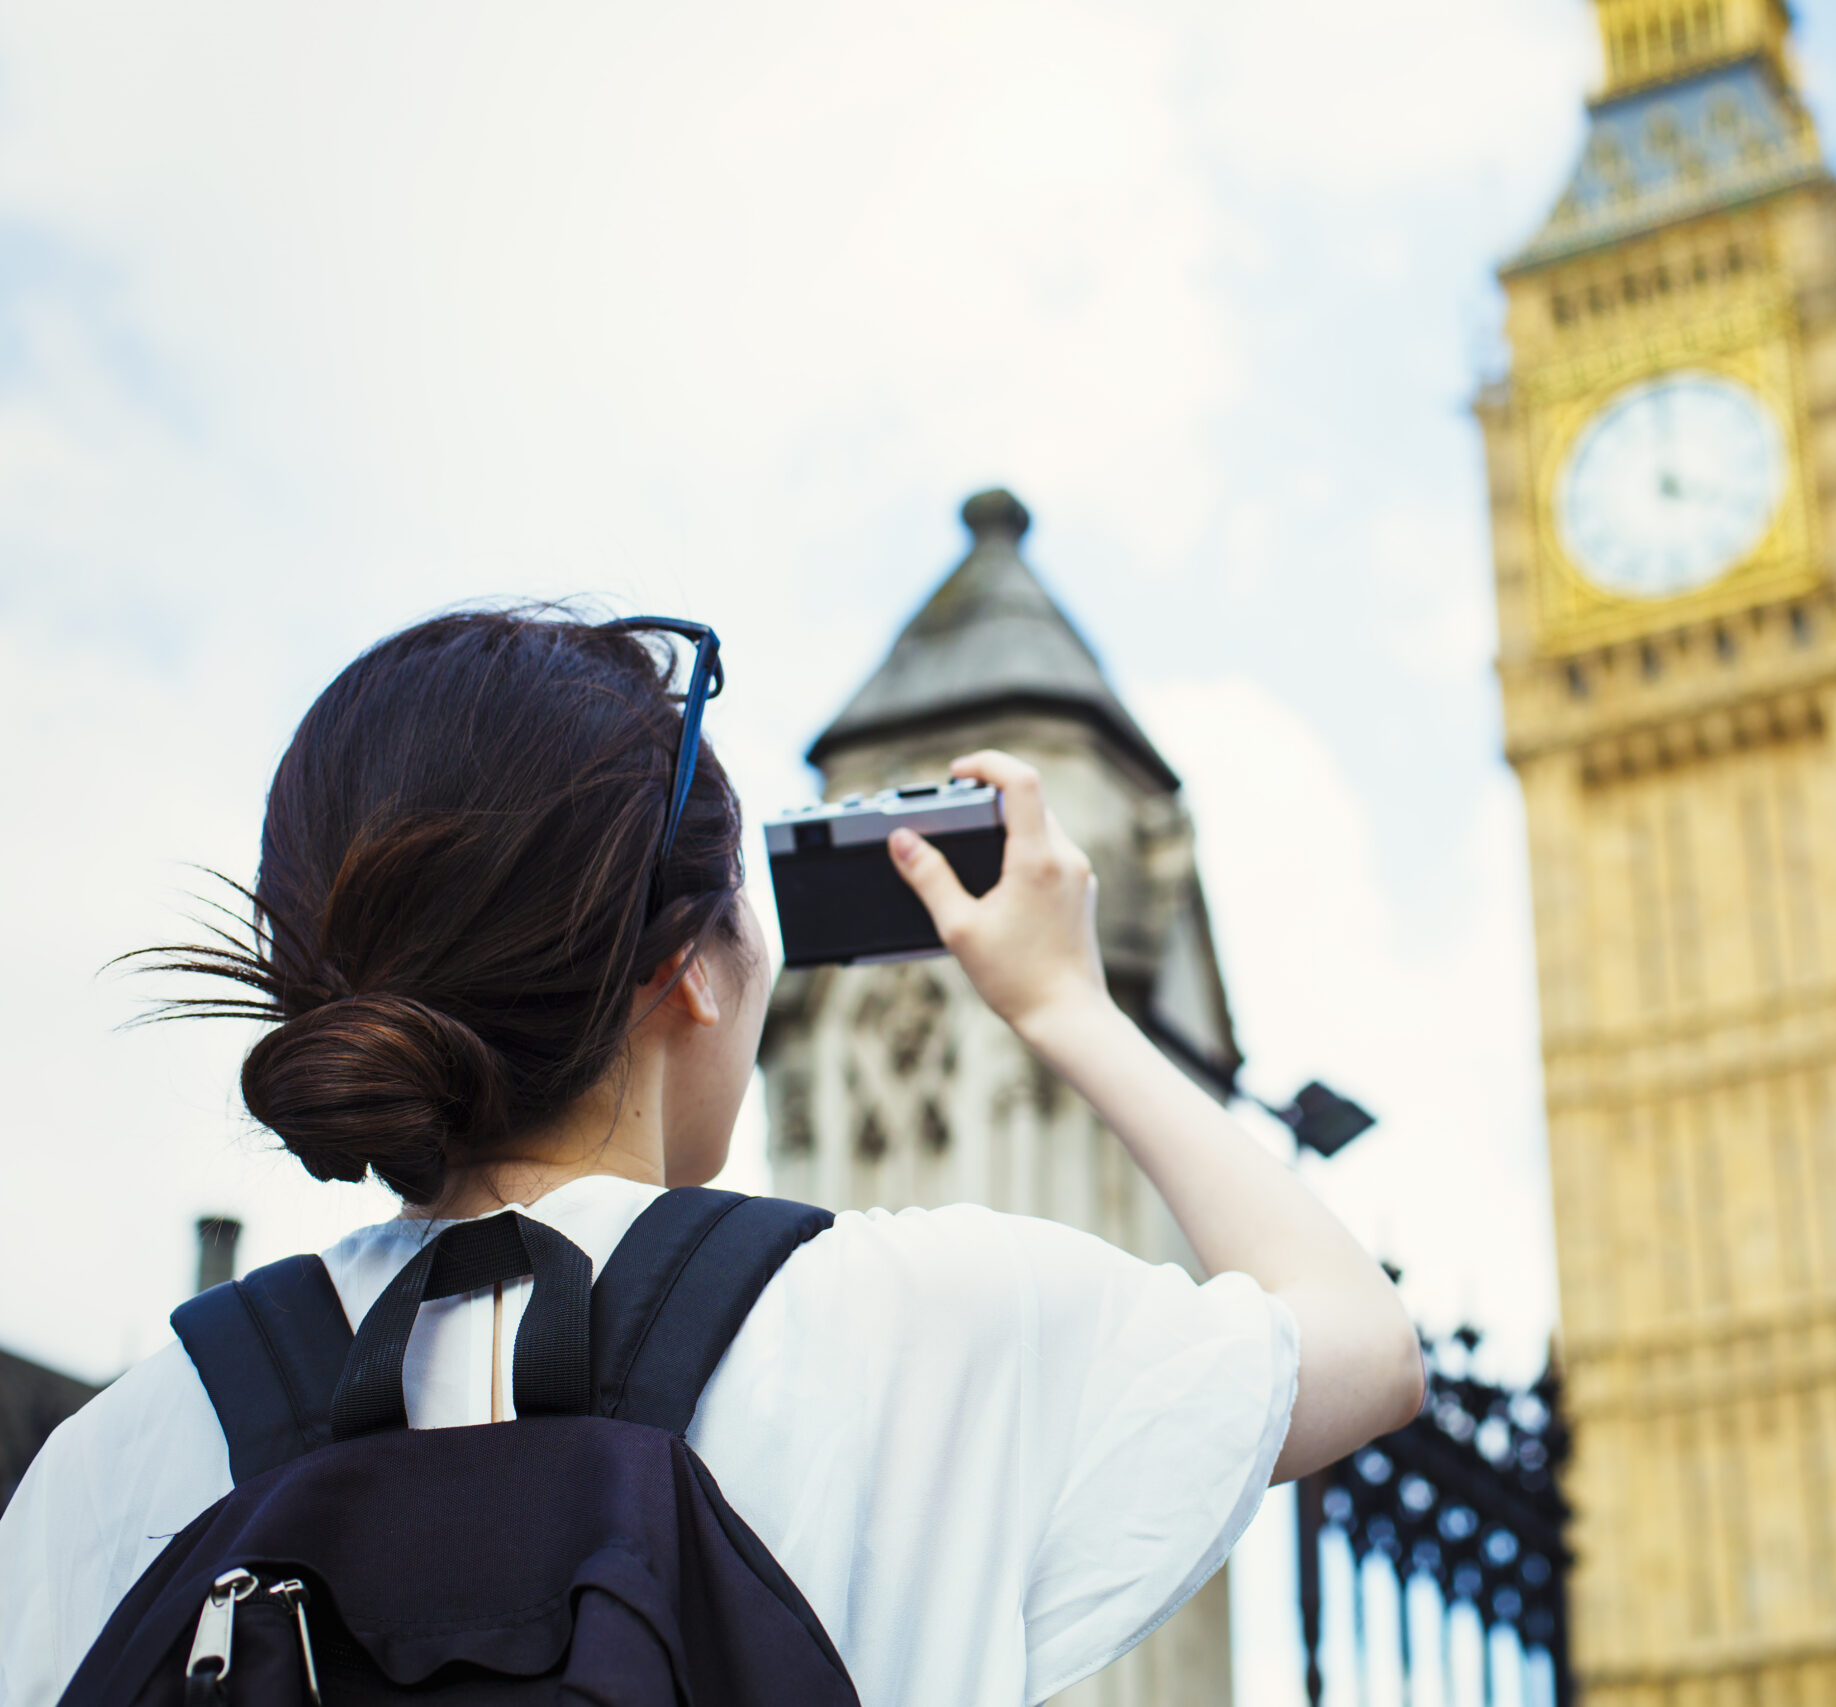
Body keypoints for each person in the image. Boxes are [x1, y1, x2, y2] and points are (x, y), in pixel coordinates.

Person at [0, 609, 1424, 1705]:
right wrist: (1067, 1004)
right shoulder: (913, 1327)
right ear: (691, 969)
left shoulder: (124, 1447)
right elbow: (1363, 1343)